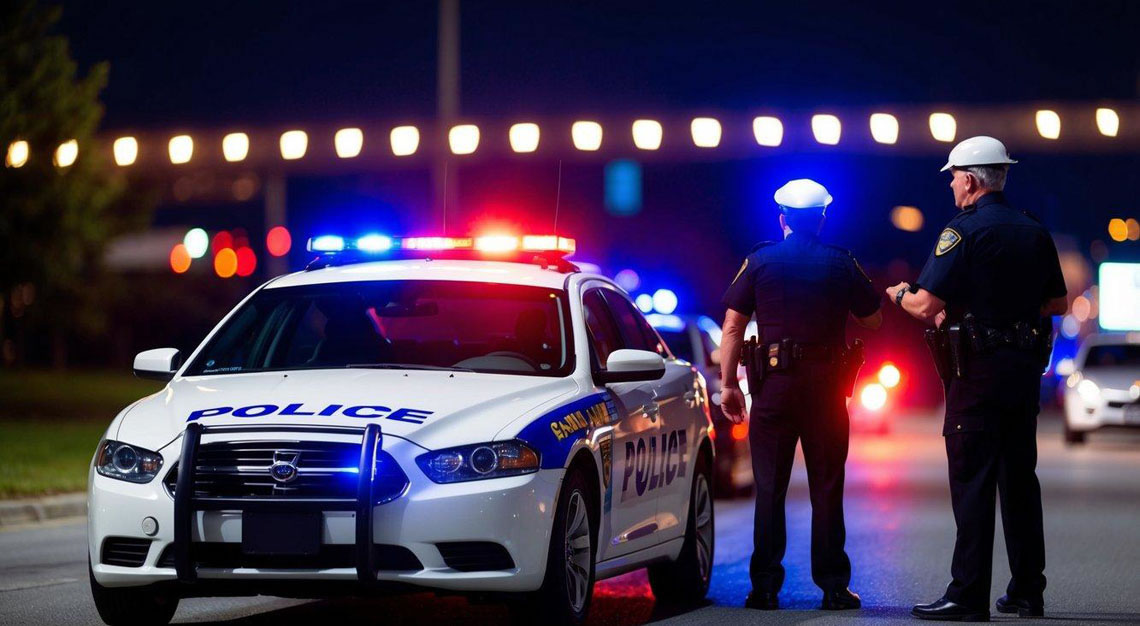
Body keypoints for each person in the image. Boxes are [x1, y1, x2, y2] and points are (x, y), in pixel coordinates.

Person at [886, 136, 1068, 621]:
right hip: (1024, 373)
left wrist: (899, 295)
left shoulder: (962, 231)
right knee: (1019, 482)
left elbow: (927, 305)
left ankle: (967, 596)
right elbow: (1057, 303)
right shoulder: (1034, 230)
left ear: (969, 180)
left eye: (952, 177)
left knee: (972, 481)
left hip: (977, 374)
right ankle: (1028, 592)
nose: (950, 185)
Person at [719, 179, 882, 612]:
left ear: (782, 218)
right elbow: (874, 319)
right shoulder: (842, 262)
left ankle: (765, 589)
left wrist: (729, 385)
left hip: (773, 390)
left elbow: (734, 326)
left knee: (769, 489)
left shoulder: (759, 260)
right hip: (826, 391)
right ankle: (832, 587)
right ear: (824, 218)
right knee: (827, 488)